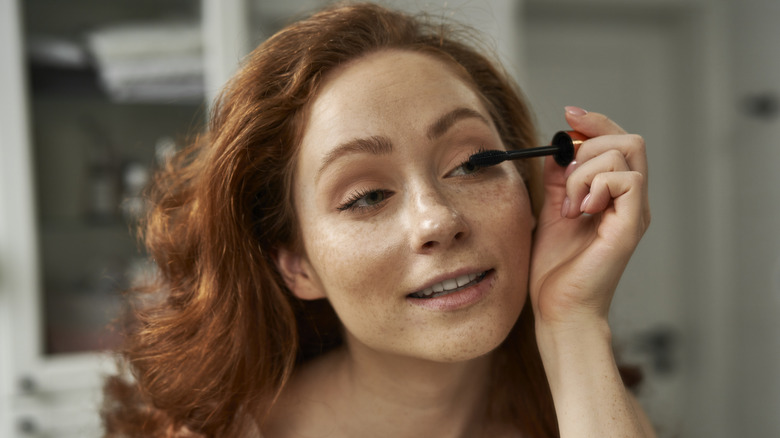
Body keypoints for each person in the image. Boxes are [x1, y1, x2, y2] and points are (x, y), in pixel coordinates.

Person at [102, 2, 654, 437]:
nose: (436, 220)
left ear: (528, 193)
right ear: (296, 266)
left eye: (470, 163)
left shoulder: (587, 410)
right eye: (366, 196)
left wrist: (573, 322)